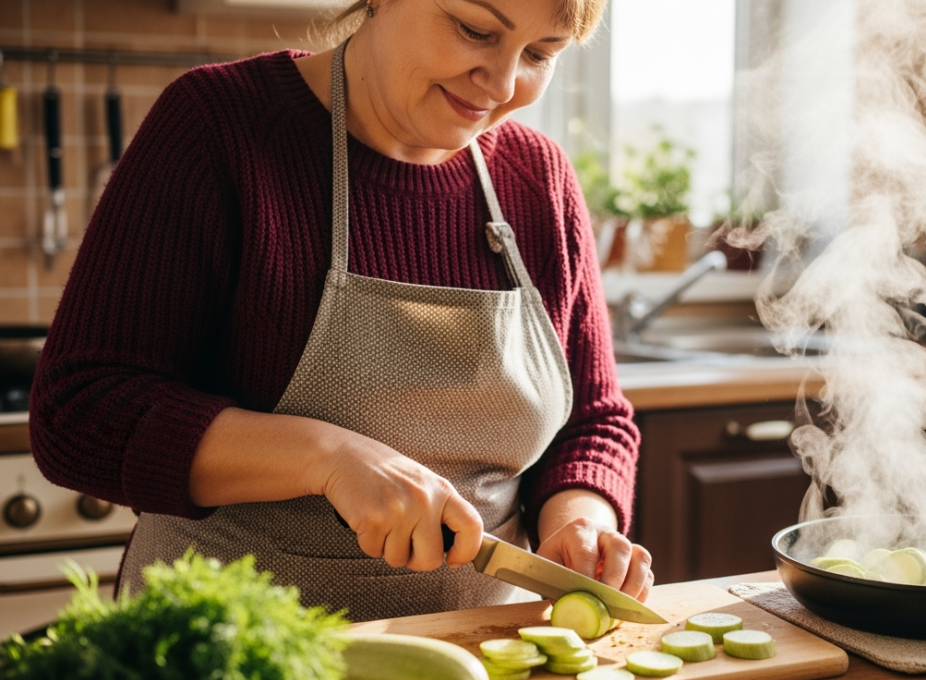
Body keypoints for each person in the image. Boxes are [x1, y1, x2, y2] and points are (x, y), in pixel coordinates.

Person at [28, 0, 651, 622]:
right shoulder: (219, 124)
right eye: (474, 30)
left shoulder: (538, 178)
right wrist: (325, 457)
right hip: (227, 650)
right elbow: (79, 411)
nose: (505, 81)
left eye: (540, 54)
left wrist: (581, 520)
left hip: (481, 653)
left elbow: (592, 421)